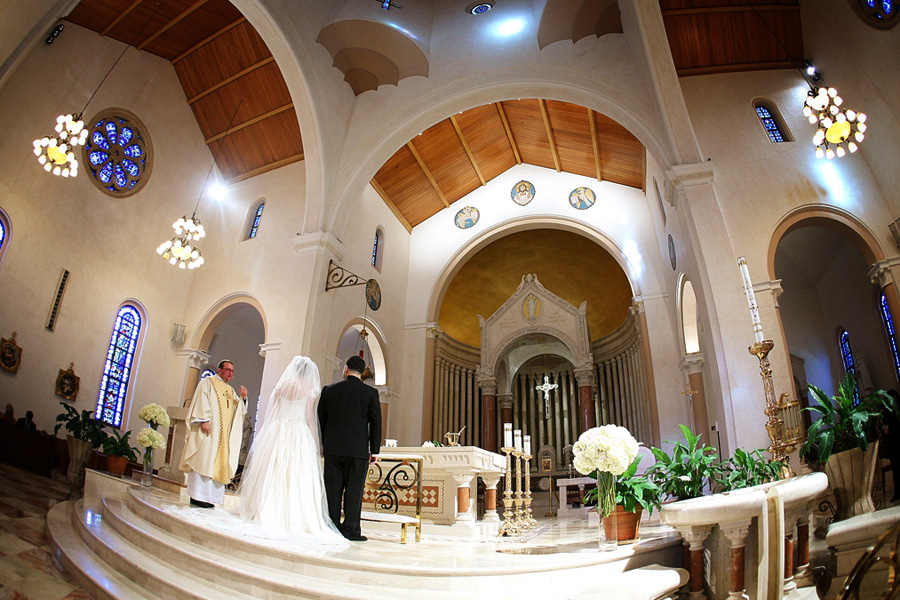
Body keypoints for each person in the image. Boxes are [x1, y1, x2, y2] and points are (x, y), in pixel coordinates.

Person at [239, 356, 347, 548]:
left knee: (274, 471)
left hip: (278, 430)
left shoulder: (283, 385)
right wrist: (315, 442)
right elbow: (310, 418)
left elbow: (274, 411)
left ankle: (265, 508)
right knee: (296, 475)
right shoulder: (310, 389)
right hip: (298, 432)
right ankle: (292, 515)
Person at [318, 355, 381, 541]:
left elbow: (321, 420)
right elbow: (375, 423)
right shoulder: (370, 394)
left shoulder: (329, 390)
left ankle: (331, 527)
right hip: (358, 450)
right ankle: (352, 530)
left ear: (346, 369)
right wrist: (374, 450)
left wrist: (324, 444)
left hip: (333, 449)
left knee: (332, 489)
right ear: (362, 374)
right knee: (354, 490)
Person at [180, 360, 247, 508]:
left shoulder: (230, 391)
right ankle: (197, 496)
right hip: (209, 432)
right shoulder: (208, 382)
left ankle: (209, 497)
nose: (230, 373)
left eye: (232, 371)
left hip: (222, 438)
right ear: (220, 370)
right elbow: (201, 401)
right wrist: (204, 420)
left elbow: (238, 411)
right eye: (228, 369)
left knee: (216, 464)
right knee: (204, 460)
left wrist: (243, 399)